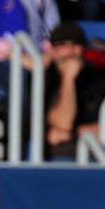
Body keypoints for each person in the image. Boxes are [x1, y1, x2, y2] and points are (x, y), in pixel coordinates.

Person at [45, 21, 105, 160]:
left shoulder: (96, 78)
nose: (70, 50)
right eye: (62, 45)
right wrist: (68, 79)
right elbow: (64, 123)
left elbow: (102, 128)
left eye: (75, 44)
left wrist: (72, 134)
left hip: (94, 153)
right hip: (54, 156)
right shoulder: (43, 79)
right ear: (52, 51)